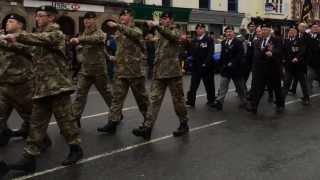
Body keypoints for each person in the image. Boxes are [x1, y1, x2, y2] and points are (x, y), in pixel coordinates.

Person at [0, 6, 83, 175]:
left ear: (51, 18)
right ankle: (28, 159)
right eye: (36, 16)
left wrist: (18, 35)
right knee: (36, 124)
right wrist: (8, 42)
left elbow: (43, 40)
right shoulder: (38, 38)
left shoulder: (56, 34)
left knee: (66, 122)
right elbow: (27, 49)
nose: (37, 18)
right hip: (41, 88)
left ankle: (76, 148)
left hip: (57, 87)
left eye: (40, 16)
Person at [132, 11, 189, 140]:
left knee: (178, 101)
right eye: (162, 18)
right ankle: (147, 128)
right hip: (159, 73)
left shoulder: (176, 30)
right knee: (153, 101)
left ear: (171, 20)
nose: (163, 20)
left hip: (173, 73)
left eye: (165, 18)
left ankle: (184, 123)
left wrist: (157, 26)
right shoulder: (159, 32)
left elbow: (172, 37)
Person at [97, 9, 150, 134]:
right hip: (121, 71)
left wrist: (118, 26)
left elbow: (135, 35)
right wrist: (114, 58)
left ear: (131, 17)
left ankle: (148, 123)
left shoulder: (136, 30)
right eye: (120, 15)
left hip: (135, 72)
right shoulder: (118, 32)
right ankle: (112, 122)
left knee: (142, 100)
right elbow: (121, 50)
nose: (122, 17)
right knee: (116, 98)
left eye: (124, 15)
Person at [70, 12, 113, 128]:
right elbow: (83, 49)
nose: (86, 21)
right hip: (85, 71)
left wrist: (79, 40)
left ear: (95, 20)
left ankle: (116, 115)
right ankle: (75, 119)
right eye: (85, 19)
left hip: (99, 70)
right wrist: (79, 51)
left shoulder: (100, 33)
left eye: (90, 19)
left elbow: (96, 39)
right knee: (80, 95)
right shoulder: (83, 34)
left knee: (107, 94)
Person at [0, 14, 35, 146]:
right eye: (6, 21)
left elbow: (34, 53)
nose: (7, 23)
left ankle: (42, 141)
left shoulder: (27, 38)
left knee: (30, 116)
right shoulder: (3, 37)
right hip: (3, 84)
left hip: (22, 85)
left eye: (11, 21)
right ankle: (3, 135)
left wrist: (8, 42)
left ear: (20, 25)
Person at [246, 23, 285, 114]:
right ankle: (254, 106)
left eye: (265, 29)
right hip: (261, 70)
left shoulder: (276, 40)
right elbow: (257, 55)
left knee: (277, 89)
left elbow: (280, 51)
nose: (263, 31)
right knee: (258, 88)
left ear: (269, 30)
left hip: (273, 69)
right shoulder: (257, 41)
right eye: (262, 30)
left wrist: (273, 53)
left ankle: (280, 105)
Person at [211, 26, 247, 111]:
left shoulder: (238, 42)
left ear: (233, 33)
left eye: (230, 32)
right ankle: (219, 103)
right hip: (226, 69)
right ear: (225, 33)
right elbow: (222, 55)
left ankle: (244, 102)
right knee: (223, 86)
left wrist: (232, 63)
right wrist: (219, 65)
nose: (229, 33)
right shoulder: (223, 42)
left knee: (240, 87)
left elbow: (240, 55)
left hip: (236, 69)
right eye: (227, 32)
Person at [186, 23, 215, 107]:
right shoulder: (194, 40)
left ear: (204, 30)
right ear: (196, 30)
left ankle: (211, 100)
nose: (199, 30)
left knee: (209, 85)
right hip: (196, 66)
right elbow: (191, 52)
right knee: (193, 85)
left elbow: (210, 53)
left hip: (207, 66)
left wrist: (205, 63)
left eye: (201, 28)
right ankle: (191, 101)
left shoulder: (209, 39)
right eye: (198, 28)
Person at [282, 25, 309, 105]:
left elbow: (302, 51)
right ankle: (281, 101)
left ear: (296, 33)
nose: (291, 33)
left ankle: (306, 98)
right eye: (290, 31)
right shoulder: (286, 41)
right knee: (286, 83)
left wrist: (297, 58)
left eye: (293, 31)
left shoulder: (300, 41)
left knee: (303, 83)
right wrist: (283, 59)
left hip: (298, 66)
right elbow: (284, 52)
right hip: (289, 67)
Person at [306, 23, 320, 94]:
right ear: (311, 29)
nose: (315, 28)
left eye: (317, 27)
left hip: (319, 62)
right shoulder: (308, 37)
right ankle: (307, 95)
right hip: (310, 63)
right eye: (314, 27)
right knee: (309, 78)